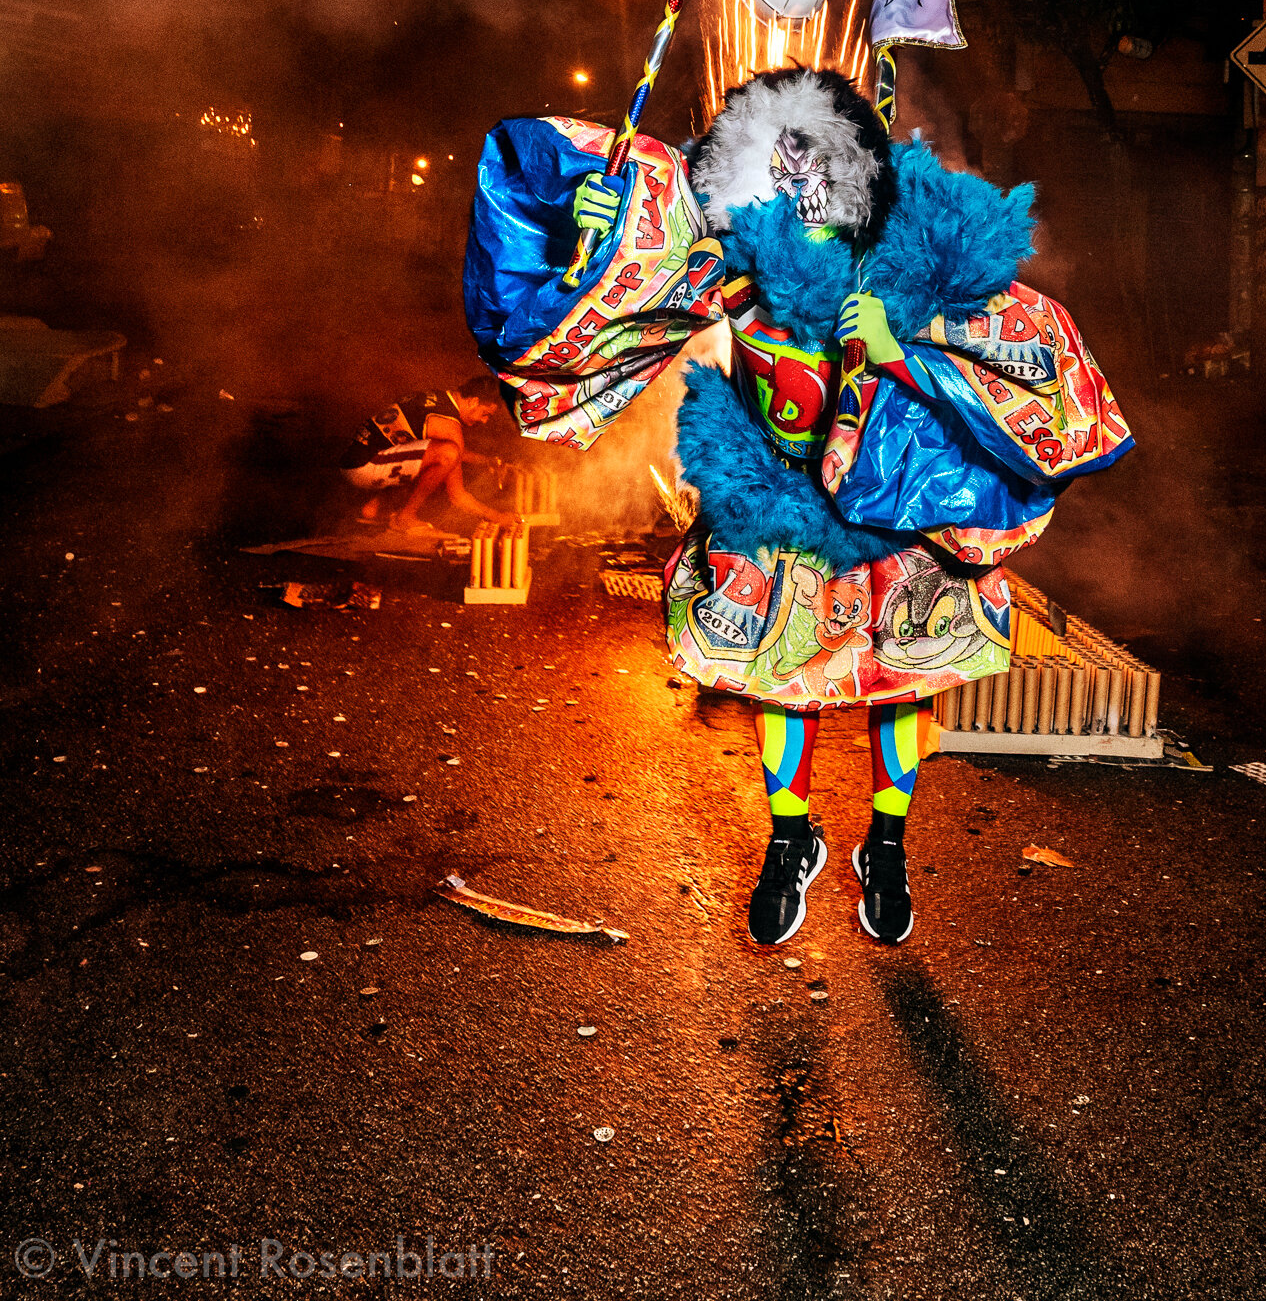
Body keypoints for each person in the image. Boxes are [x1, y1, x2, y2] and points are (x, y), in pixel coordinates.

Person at [463, 65, 1131, 950]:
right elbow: (630, 280)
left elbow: (1034, 372)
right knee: (781, 675)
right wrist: (598, 226)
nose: (800, 189)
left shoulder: (917, 268)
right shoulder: (732, 271)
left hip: (897, 518)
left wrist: (902, 349)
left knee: (903, 679)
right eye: (780, 173)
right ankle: (791, 839)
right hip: (774, 509)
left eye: (817, 169)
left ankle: (885, 846)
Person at [339, 375, 502, 529]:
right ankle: (406, 517)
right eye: (485, 414)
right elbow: (457, 495)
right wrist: (496, 516)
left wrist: (487, 462)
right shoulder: (449, 424)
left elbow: (436, 451)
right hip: (362, 467)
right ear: (474, 401)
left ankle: (375, 507)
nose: (484, 421)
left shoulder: (438, 397)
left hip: (354, 458)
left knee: (437, 453)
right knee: (448, 454)